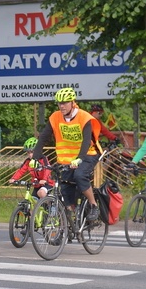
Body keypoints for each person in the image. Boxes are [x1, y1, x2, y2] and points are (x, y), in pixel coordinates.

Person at [30, 87, 102, 223]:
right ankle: (69, 222)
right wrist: (35, 158)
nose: (61, 106)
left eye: (65, 103)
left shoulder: (84, 117)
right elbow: (43, 138)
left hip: (88, 154)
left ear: (73, 102)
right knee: (63, 187)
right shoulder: (55, 117)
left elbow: (86, 141)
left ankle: (93, 206)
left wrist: (79, 158)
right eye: (59, 103)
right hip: (66, 159)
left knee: (79, 175)